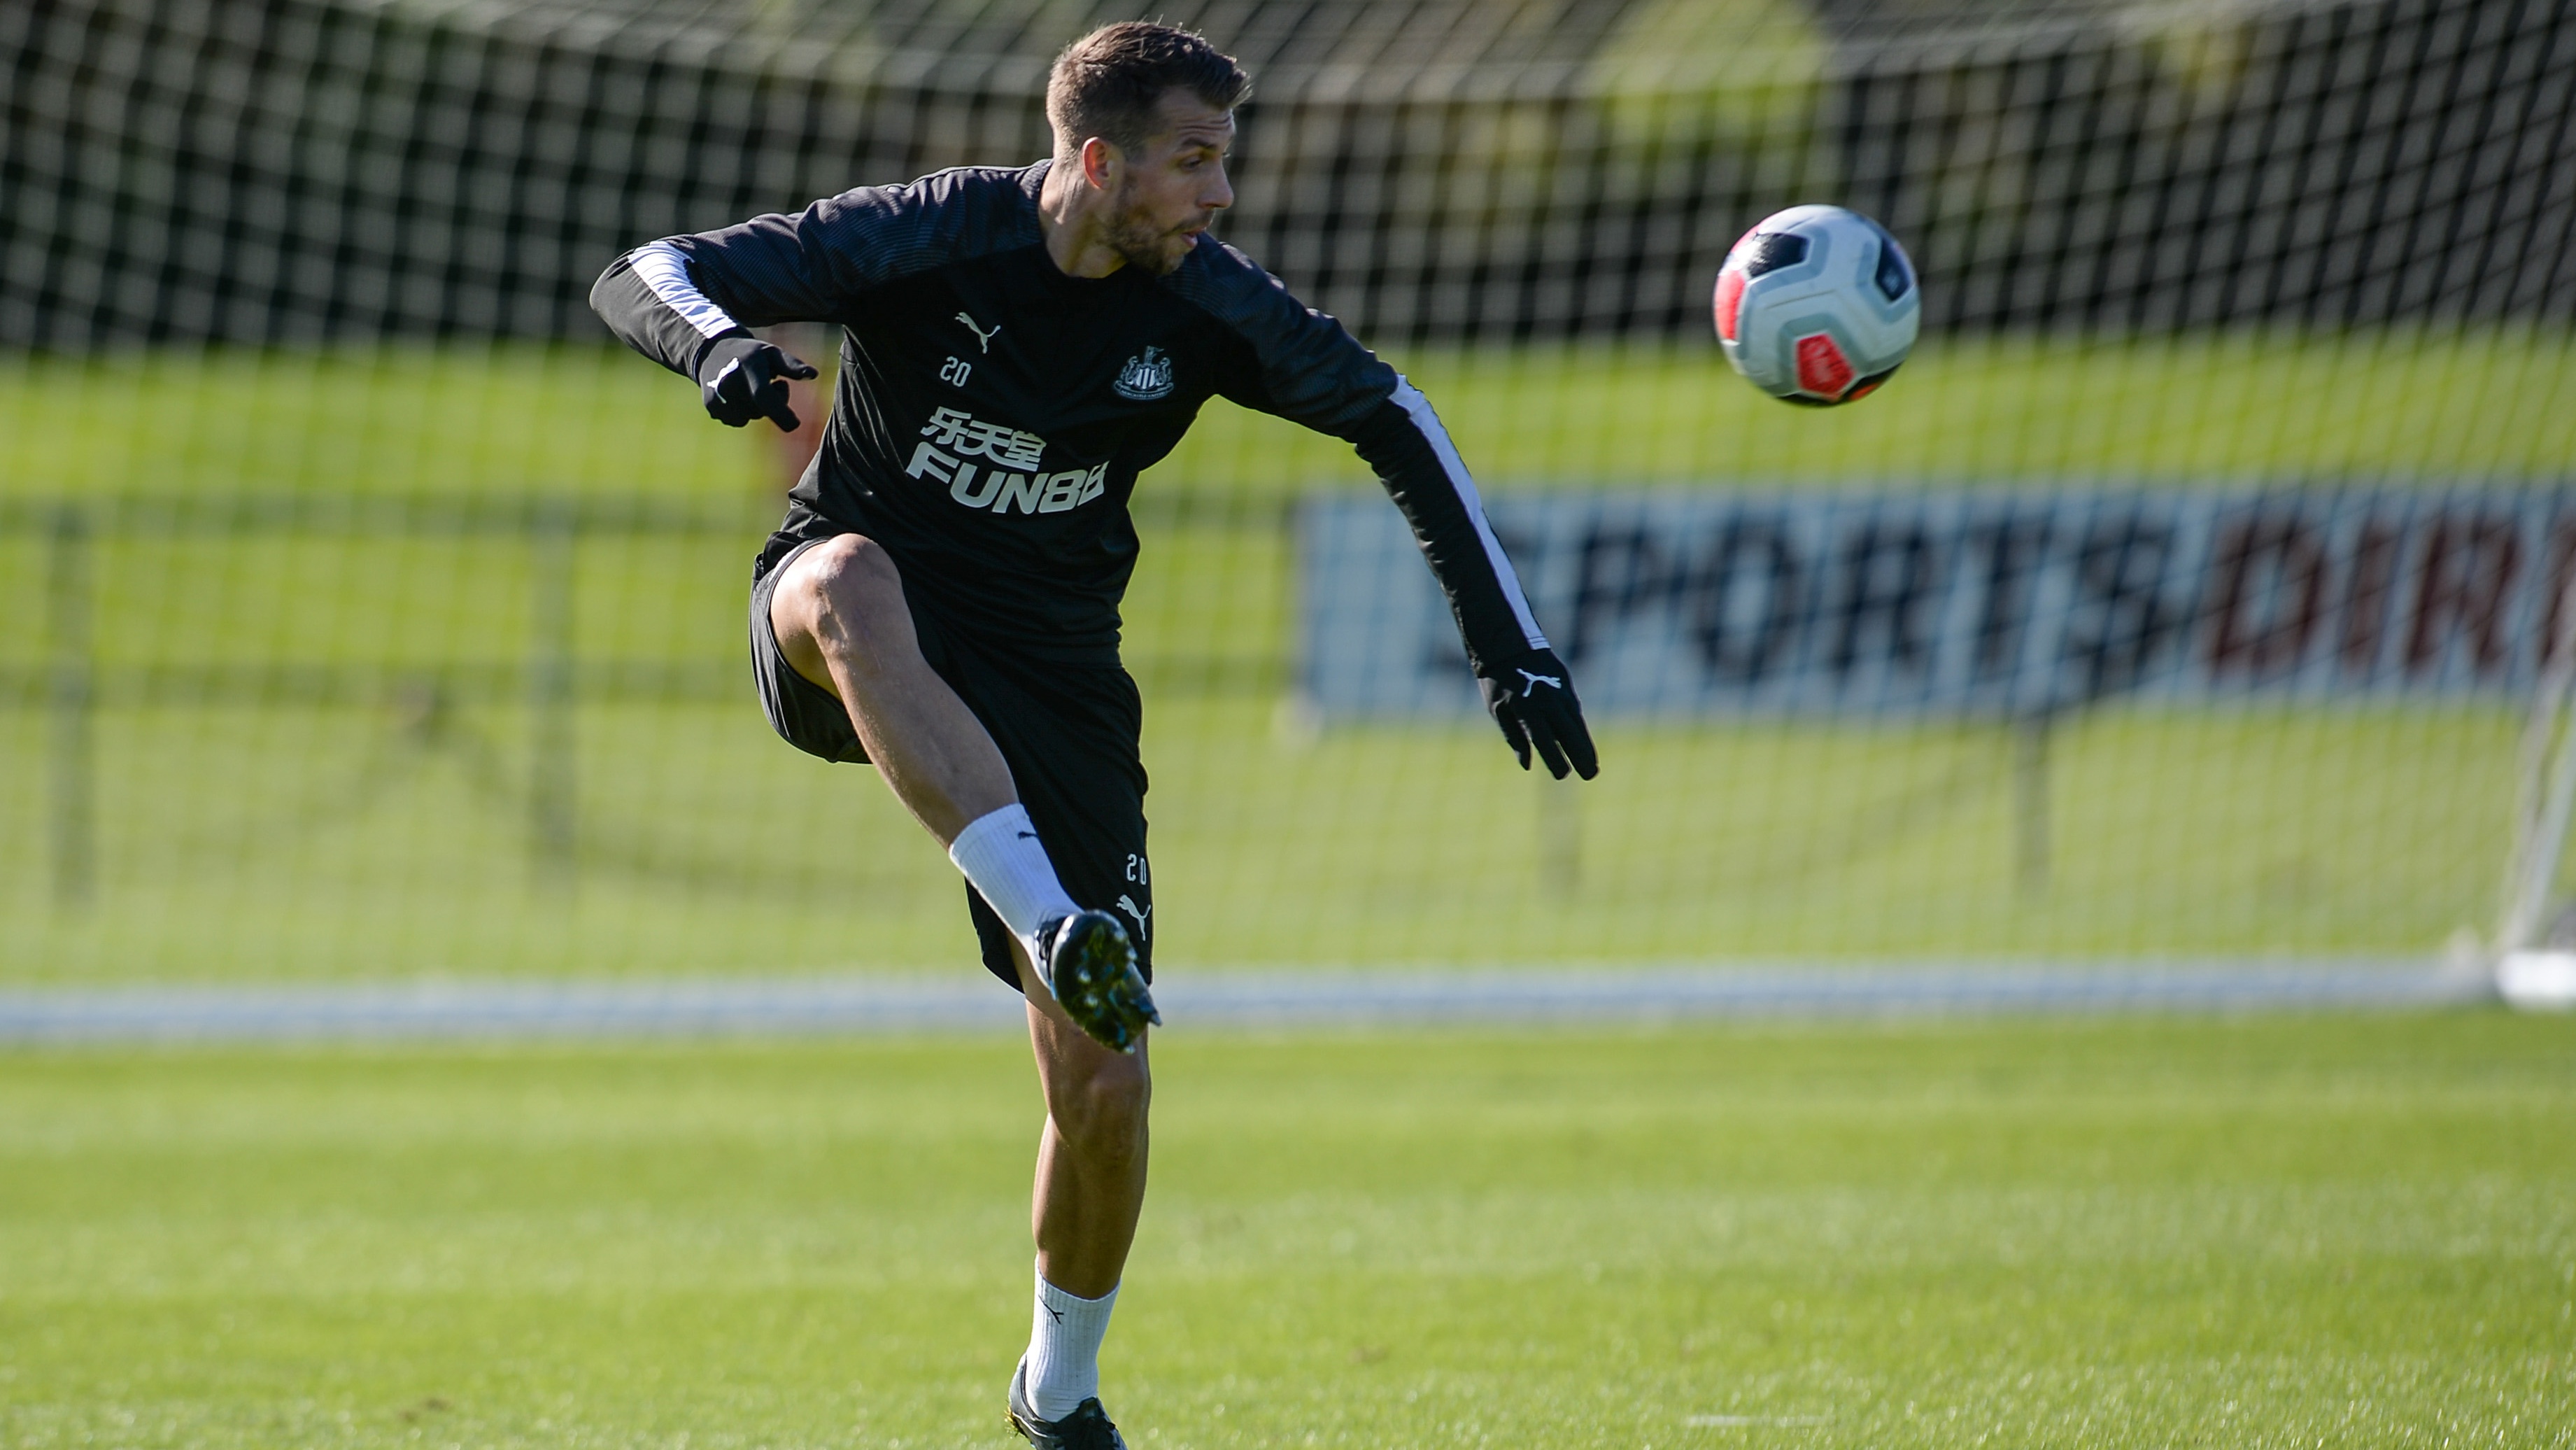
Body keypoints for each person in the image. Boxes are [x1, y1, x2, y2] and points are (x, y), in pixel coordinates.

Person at [590, 20, 1597, 1448]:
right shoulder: (936, 233)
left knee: (1107, 1081)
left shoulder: (1203, 300)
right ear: (1097, 158)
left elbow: (1392, 416)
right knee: (842, 573)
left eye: (1222, 162)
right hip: (852, 640)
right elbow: (643, 271)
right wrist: (714, 349)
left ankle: (1054, 1393)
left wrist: (1509, 645)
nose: (1219, 195)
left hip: (1052, 684)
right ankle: (1051, 916)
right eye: (1194, 162)